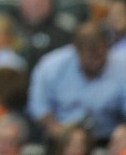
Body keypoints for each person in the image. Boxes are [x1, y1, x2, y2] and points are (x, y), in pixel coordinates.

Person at [27, 20, 126, 148]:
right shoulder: (51, 66)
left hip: (107, 138)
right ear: (77, 50)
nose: (96, 61)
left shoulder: (121, 68)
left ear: (107, 47)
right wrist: (57, 130)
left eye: (100, 54)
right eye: (90, 55)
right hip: (62, 138)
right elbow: (38, 107)